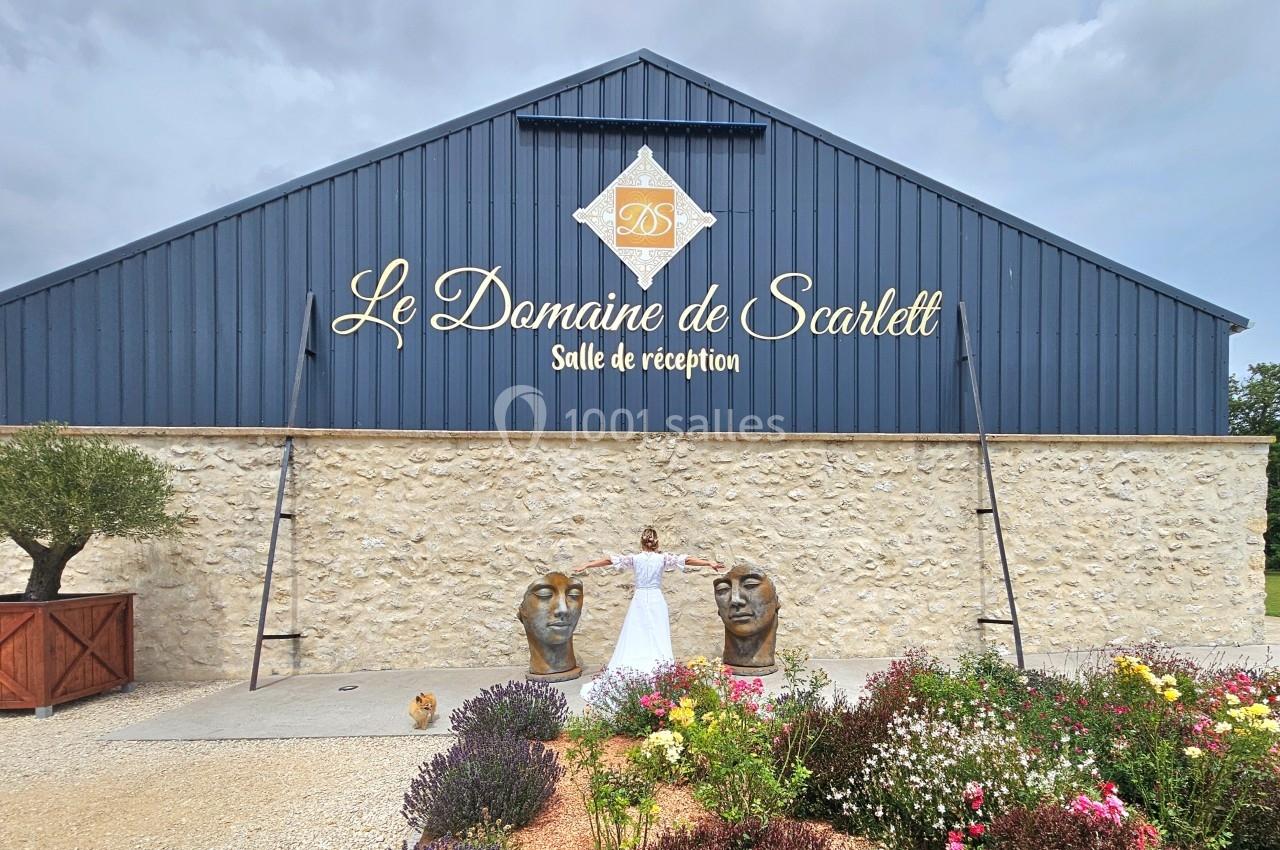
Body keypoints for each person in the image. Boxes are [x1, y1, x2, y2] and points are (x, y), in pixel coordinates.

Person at [574, 526, 723, 674]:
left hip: (639, 598)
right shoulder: (663, 559)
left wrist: (588, 564)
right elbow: (687, 560)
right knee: (658, 633)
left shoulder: (634, 559)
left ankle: (636, 665)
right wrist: (709, 563)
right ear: (657, 543)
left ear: (641, 542)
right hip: (656, 598)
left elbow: (609, 560)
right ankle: (658, 668)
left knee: (636, 633)